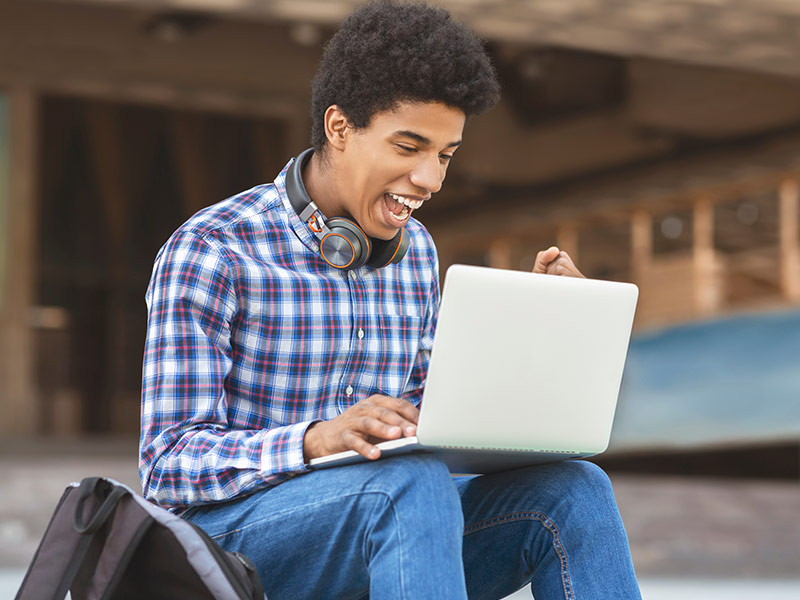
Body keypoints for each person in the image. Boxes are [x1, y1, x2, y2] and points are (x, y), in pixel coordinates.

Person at [140, 1, 642, 598]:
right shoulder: (213, 249)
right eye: (409, 148)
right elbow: (168, 464)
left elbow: (427, 415)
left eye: (445, 155)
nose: (431, 179)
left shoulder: (417, 252)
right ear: (340, 128)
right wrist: (314, 439)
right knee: (407, 481)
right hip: (238, 552)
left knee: (575, 489)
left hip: (393, 523)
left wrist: (539, 347)